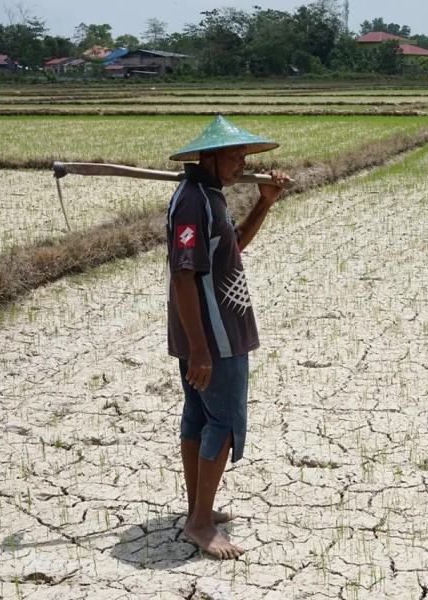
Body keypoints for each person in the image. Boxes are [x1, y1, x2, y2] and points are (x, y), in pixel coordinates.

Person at [166, 116, 289, 559]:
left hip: (218, 330)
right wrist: (200, 348)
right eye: (235, 157)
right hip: (213, 336)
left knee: (200, 418)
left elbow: (232, 245)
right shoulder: (192, 202)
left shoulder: (209, 196)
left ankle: (198, 509)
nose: (243, 164)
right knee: (223, 420)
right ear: (209, 158)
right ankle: (199, 523)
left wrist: (264, 203)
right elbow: (183, 275)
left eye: (244, 157)